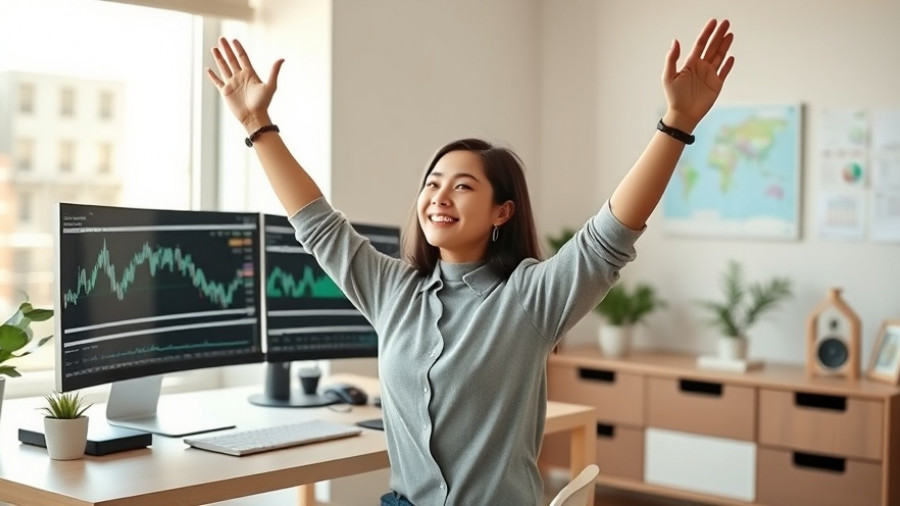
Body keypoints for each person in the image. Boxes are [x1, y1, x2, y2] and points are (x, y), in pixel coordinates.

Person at [206, 17, 734, 506]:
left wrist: (675, 124)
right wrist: (257, 123)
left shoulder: (530, 297)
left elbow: (609, 236)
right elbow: (316, 223)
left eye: (462, 187)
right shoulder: (393, 290)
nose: (440, 197)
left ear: (501, 211)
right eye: (432, 185)